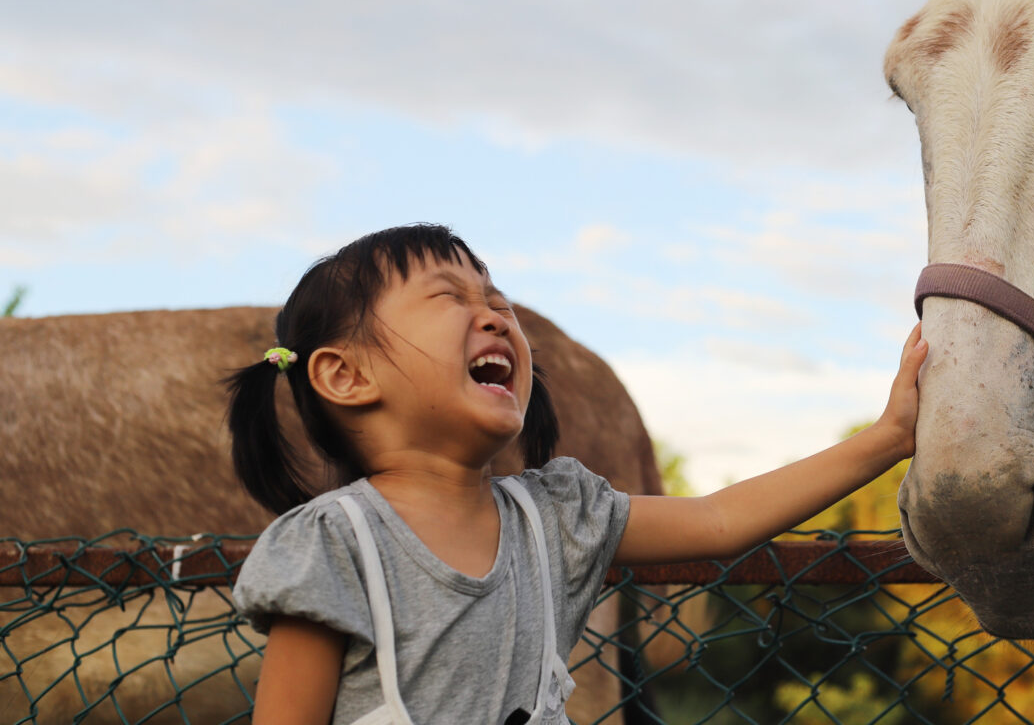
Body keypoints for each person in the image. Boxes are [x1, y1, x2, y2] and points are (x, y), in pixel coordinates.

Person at [227, 223, 926, 725]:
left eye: (497, 300)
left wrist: (889, 437)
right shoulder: (331, 546)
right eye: (450, 298)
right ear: (346, 376)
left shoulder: (556, 517)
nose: (496, 315)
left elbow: (718, 519)